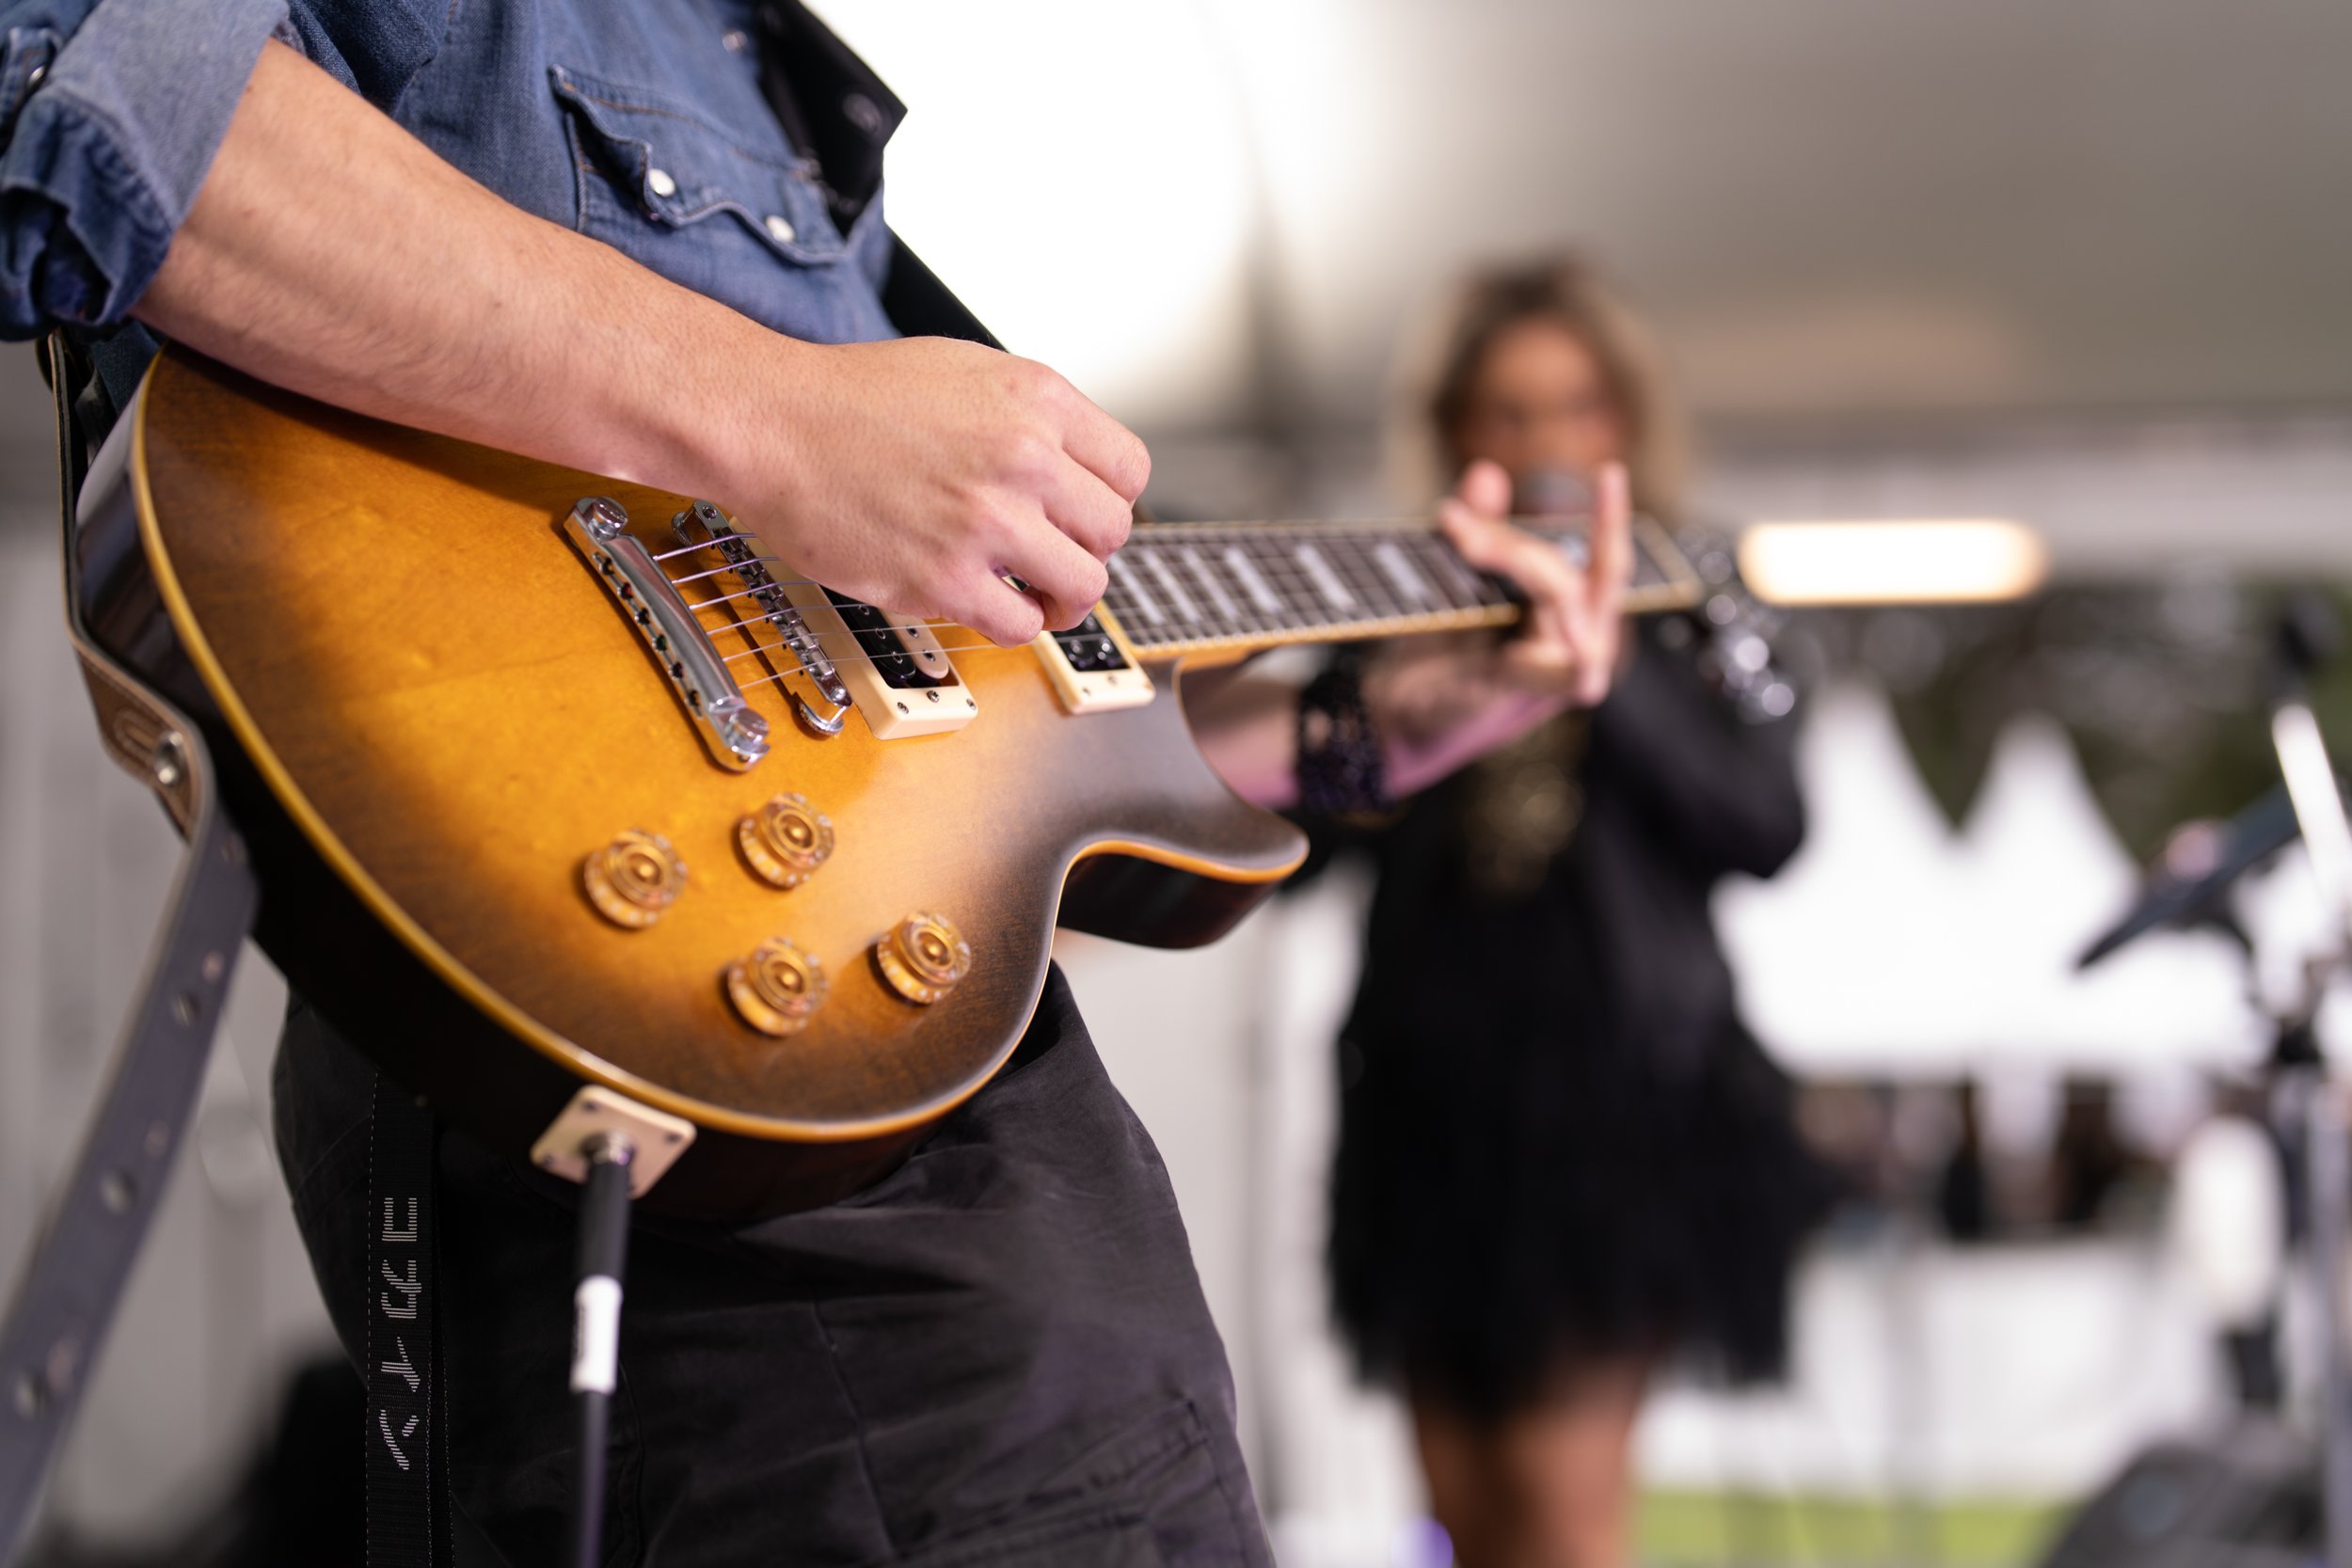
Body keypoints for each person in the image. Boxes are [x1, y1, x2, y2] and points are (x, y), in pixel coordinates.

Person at [0, 5, 1636, 1561]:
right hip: (691, 1084)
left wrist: (1366, 734)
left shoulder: (752, 62)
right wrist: (775, 411)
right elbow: (79, 85)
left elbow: (954, 735)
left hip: (841, 1078)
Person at [1323, 260, 1832, 1568]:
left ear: (1624, 420)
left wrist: (1588, 647)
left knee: (1559, 1518)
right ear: (1453, 432)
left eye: (1574, 407)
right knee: (1462, 1516)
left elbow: (1764, 824)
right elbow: (1307, 837)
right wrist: (1403, 700)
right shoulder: (1392, 601)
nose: (1545, 442)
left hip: (1622, 1115)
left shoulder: (1700, 597)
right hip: (1428, 1112)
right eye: (1507, 411)